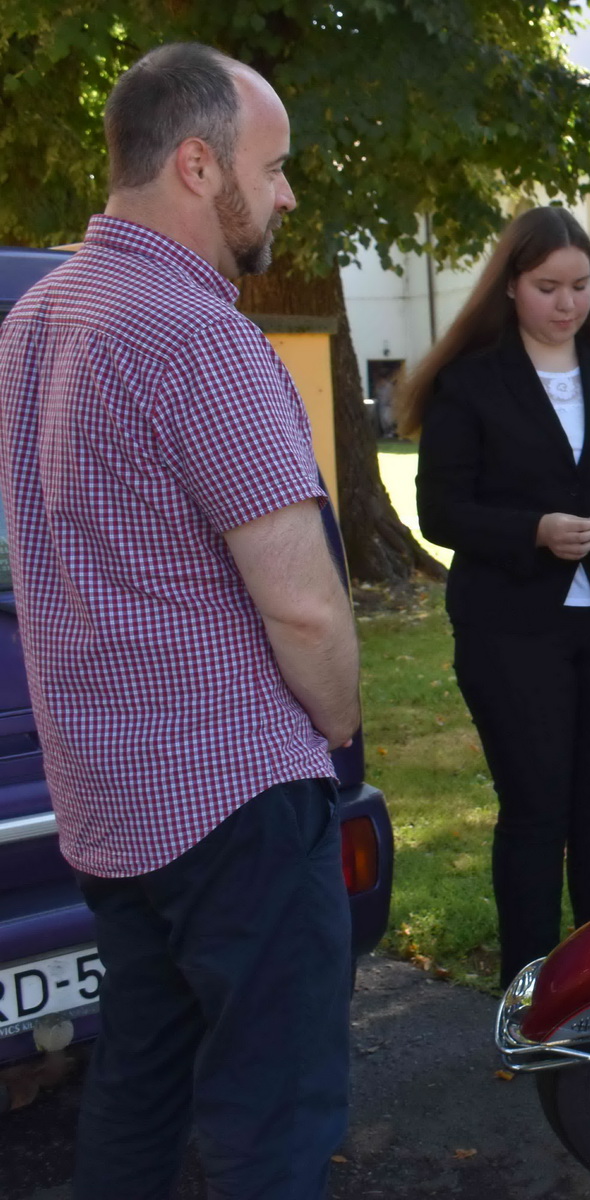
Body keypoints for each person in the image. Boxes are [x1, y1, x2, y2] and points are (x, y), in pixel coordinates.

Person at [0, 44, 360, 1198]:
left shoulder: (36, 316)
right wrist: (339, 731)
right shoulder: (200, 337)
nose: (287, 195)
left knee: (141, 1083)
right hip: (234, 798)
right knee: (273, 1122)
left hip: (108, 796)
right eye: (276, 166)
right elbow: (304, 605)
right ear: (199, 166)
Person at [403, 205, 590, 985]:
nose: (567, 303)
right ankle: (528, 993)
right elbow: (440, 511)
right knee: (535, 812)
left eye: (580, 286)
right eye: (548, 287)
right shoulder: (470, 384)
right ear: (510, 286)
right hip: (510, 630)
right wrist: (535, 531)